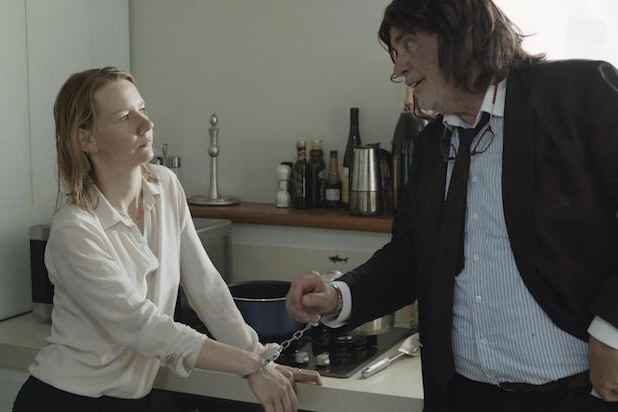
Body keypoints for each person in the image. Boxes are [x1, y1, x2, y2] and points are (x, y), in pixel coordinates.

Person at [287, 1, 618, 411]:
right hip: (464, 395)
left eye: (408, 43)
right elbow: (410, 256)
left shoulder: (577, 93)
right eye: (395, 52)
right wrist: (340, 296)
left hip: (580, 395)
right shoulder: (431, 144)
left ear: (462, 32)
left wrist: (612, 332)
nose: (398, 69)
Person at [13, 66, 319, 412]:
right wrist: (251, 366)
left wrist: (260, 358)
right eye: (125, 117)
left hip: (132, 400)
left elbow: (206, 287)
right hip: (66, 401)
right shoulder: (75, 230)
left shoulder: (164, 186)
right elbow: (145, 328)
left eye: (142, 109)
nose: (145, 124)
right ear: (86, 140)